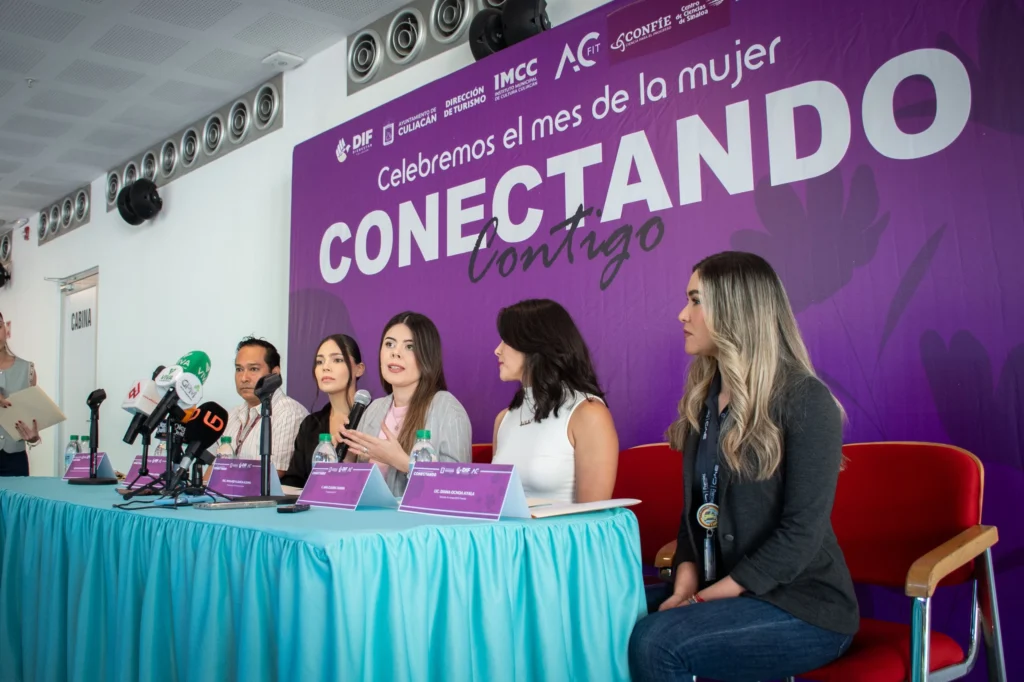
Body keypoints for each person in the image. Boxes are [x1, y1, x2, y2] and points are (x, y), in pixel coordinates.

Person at [628, 252, 858, 682]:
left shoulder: (806, 400)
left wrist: (703, 600)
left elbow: (801, 534)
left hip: (802, 605)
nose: (683, 314)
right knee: (605, 615)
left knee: (656, 640)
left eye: (696, 300)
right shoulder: (704, 402)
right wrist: (684, 585)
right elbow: (696, 513)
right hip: (718, 587)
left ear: (736, 311)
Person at [490, 299, 618, 503]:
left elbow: (593, 514)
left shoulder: (589, 413)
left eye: (507, 340)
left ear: (535, 345)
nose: (497, 350)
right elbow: (494, 503)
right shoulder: (503, 419)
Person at [340, 312, 471, 497]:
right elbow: (355, 489)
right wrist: (347, 456)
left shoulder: (447, 409)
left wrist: (401, 462)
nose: (395, 352)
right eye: (389, 344)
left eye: (409, 346)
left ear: (427, 356)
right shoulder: (374, 409)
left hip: (418, 516)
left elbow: (459, 489)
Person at [281, 334, 365, 488]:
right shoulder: (310, 424)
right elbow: (294, 481)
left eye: (337, 360)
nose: (325, 367)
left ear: (359, 369)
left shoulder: (375, 417)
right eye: (320, 361)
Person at [224, 337, 308, 478]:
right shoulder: (232, 414)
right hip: (227, 491)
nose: (244, 378)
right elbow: (215, 468)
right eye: (239, 369)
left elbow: (274, 473)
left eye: (253, 369)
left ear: (275, 373)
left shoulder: (288, 412)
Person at [0, 312, 41, 477]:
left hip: (14, 460)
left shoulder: (27, 369)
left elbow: (31, 417)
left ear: (6, 329)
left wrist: (33, 438)